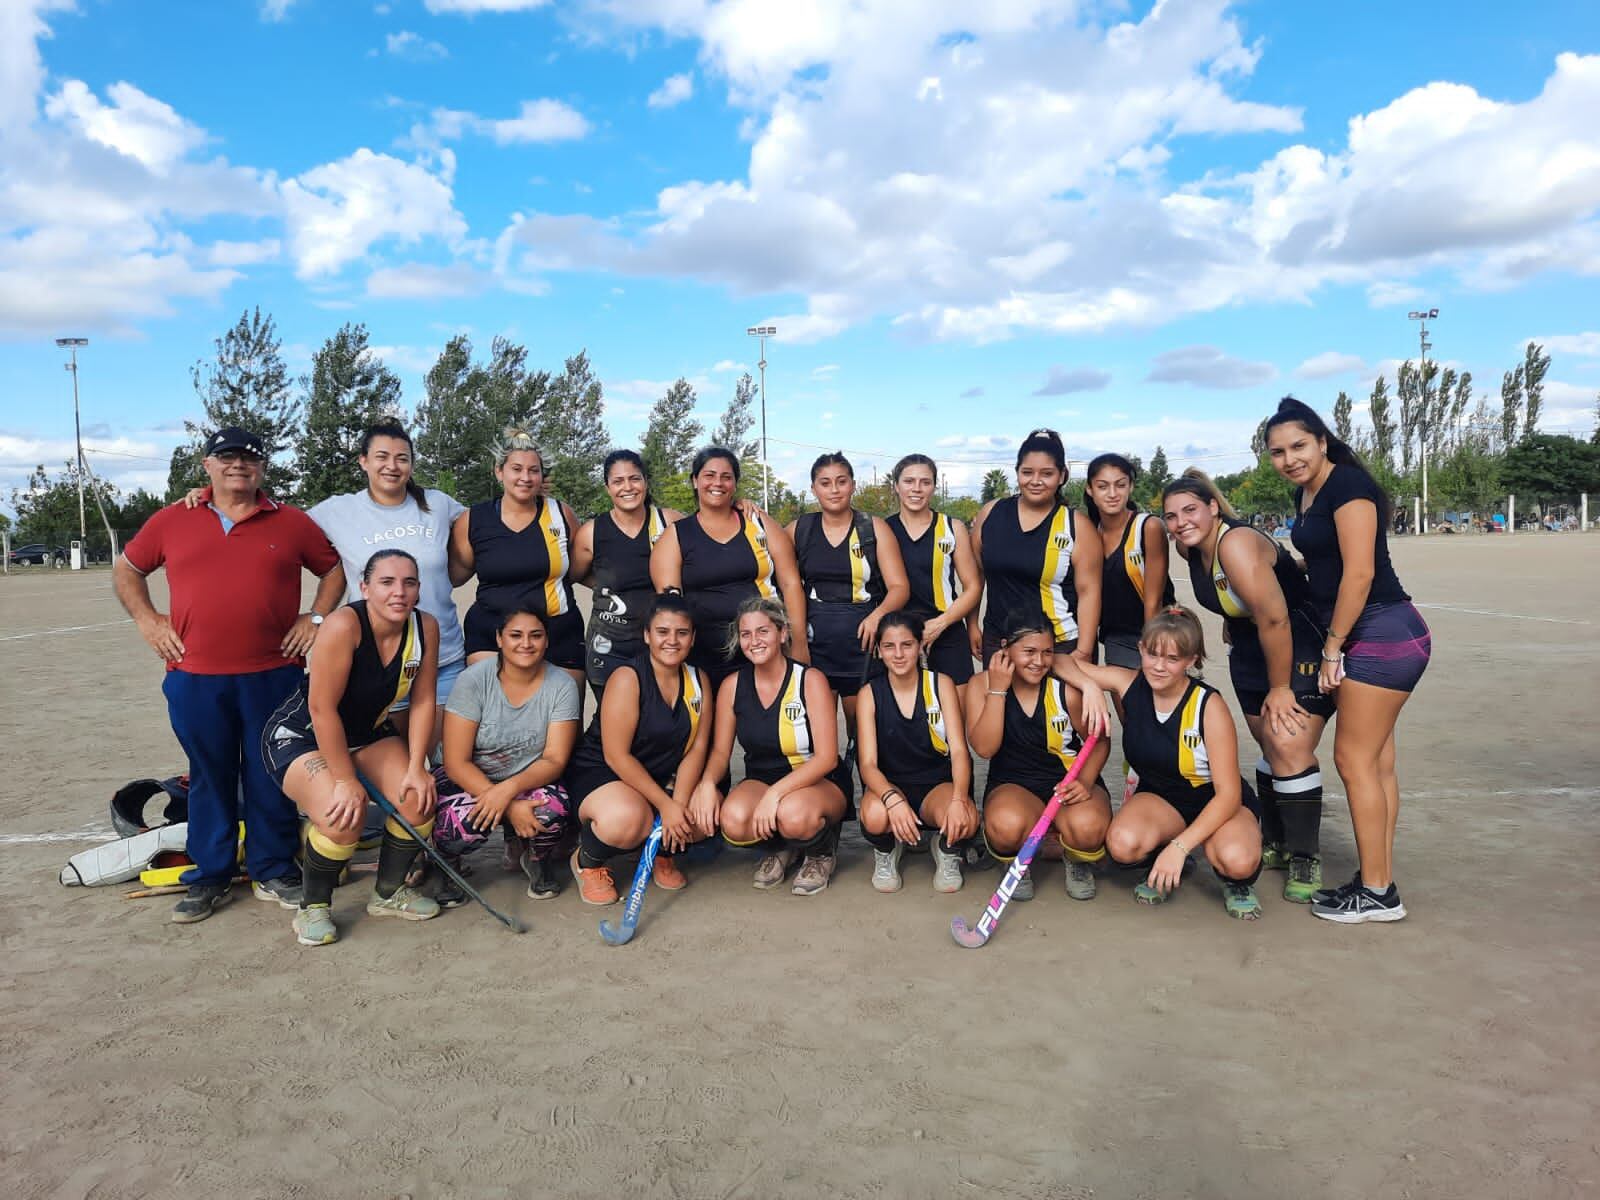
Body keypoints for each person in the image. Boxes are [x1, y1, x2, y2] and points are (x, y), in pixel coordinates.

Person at [114, 426, 344, 925]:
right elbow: (128, 569)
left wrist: (316, 618)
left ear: (262, 467)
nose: (238, 464)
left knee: (271, 774)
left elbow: (334, 571)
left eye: (249, 457)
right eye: (227, 457)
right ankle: (212, 875)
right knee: (209, 776)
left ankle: (273, 869)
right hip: (195, 677)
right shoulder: (173, 519)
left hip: (274, 674)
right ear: (208, 465)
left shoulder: (291, 522)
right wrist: (148, 620)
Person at [1266, 397, 1431, 923]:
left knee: (1352, 760)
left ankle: (1379, 893)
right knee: (1378, 763)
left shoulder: (1348, 487)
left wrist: (1334, 647)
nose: (1289, 458)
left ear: (1321, 441)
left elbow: (1359, 574)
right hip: (1374, 631)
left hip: (1382, 631)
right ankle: (1377, 879)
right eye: (1277, 452)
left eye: (1298, 446)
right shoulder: (1307, 491)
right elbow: (1323, 562)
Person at [1163, 470, 1335, 902]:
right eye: (1171, 516)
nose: (1181, 521)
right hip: (1250, 644)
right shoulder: (1189, 549)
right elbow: (1234, 593)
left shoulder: (1234, 542)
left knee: (1288, 741)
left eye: (1190, 510)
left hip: (1295, 639)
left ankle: (1304, 855)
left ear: (1213, 508)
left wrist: (1281, 687)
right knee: (1268, 742)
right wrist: (1228, 618)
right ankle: (1275, 838)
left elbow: (1275, 616)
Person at [259, 550, 441, 946]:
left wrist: (416, 765)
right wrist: (343, 779)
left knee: (419, 798)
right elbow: (322, 709)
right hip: (304, 733)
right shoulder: (344, 625)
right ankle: (313, 907)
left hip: (366, 732)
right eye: (387, 583)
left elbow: (424, 700)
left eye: (409, 583)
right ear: (364, 587)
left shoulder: (425, 626)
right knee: (345, 815)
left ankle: (389, 893)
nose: (399, 592)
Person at [1059, 607, 1264, 919]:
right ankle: (1163, 851)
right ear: (1141, 649)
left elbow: (1228, 796)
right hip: (1162, 800)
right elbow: (1058, 660)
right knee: (1122, 844)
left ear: (1192, 659)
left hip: (1218, 804)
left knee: (1237, 861)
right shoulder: (1128, 683)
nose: (1158, 666)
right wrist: (1089, 686)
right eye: (1152, 654)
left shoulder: (1209, 706)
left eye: (1172, 659)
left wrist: (1180, 848)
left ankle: (1226, 876)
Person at [307, 422, 467, 747]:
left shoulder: (438, 504)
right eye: (382, 456)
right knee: (389, 769)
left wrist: (537, 495)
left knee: (439, 765)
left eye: (402, 458)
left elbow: (495, 521)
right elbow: (276, 527)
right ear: (363, 461)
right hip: (377, 666)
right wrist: (208, 495)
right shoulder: (337, 511)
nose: (392, 466)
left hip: (443, 660)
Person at [565, 594, 716, 904]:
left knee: (702, 817)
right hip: (604, 772)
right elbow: (616, 756)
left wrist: (680, 804)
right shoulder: (627, 678)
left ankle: (662, 850)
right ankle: (587, 862)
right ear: (647, 635)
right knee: (628, 819)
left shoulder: (699, 679)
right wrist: (666, 805)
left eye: (682, 633)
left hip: (658, 775)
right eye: (662, 632)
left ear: (692, 638)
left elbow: (697, 747)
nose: (671, 641)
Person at [690, 598, 845, 895]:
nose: (754, 641)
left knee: (794, 815)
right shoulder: (732, 686)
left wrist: (775, 794)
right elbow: (721, 752)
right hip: (762, 777)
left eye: (763, 631)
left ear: (782, 633)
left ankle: (820, 851)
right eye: (746, 634)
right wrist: (707, 783)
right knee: (733, 820)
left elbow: (826, 758)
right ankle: (783, 848)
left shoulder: (810, 680)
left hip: (816, 779)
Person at [437, 606, 582, 901]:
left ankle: (537, 859)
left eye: (535, 636)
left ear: (547, 641)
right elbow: (455, 762)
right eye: (515, 635)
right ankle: (446, 865)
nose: (526, 644)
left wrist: (509, 790)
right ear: (499, 639)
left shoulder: (562, 685)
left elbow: (555, 760)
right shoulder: (474, 680)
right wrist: (507, 804)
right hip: (468, 779)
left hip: (525, 779)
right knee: (459, 825)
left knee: (553, 810)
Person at [966, 613, 1112, 902]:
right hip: (1014, 784)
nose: (1039, 661)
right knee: (1005, 827)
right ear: (1005, 648)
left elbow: (1100, 741)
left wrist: (1084, 781)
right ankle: (1018, 862)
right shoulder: (981, 685)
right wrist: (997, 690)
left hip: (1067, 781)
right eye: (1029, 652)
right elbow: (984, 749)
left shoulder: (1066, 688)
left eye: (1047, 652)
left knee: (1088, 828)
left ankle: (1076, 859)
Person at [650, 446, 808, 687]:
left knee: (762, 723)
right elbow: (670, 605)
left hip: (761, 651)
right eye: (709, 475)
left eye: (726, 477)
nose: (718, 483)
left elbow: (791, 583)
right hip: (702, 657)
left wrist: (799, 644)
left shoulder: (758, 523)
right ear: (695, 481)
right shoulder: (676, 536)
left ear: (735, 484)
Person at [451, 427, 586, 701]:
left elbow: (582, 569)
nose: (525, 477)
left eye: (533, 470)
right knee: (493, 724)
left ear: (542, 476)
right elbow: (453, 576)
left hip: (558, 631)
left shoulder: (561, 514)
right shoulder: (473, 520)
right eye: (516, 469)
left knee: (563, 725)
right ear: (499, 471)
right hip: (491, 632)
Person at [856, 611, 977, 893]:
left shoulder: (940, 684)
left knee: (967, 818)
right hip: (891, 785)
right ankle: (887, 849)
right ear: (879, 651)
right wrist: (892, 799)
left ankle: (945, 849)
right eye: (889, 646)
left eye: (906, 645)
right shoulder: (870, 694)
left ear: (920, 645)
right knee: (875, 815)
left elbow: (960, 751)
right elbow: (868, 764)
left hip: (936, 786)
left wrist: (960, 798)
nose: (898, 654)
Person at [788, 452, 909, 728]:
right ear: (813, 488)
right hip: (815, 646)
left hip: (862, 647)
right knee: (816, 731)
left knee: (862, 728)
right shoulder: (800, 529)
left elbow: (900, 587)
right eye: (825, 482)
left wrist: (879, 616)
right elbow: (775, 570)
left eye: (841, 481)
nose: (834, 490)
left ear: (853, 485)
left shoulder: (872, 527)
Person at [971, 428, 1102, 678]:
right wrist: (972, 626)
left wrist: (1083, 651)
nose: (1035, 480)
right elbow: (976, 576)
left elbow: (1090, 592)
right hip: (1000, 639)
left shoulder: (1076, 526)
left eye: (1047, 473)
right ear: (1017, 472)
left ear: (1062, 475)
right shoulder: (991, 513)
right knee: (1001, 712)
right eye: (1027, 472)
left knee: (1059, 714)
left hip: (1058, 644)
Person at [571, 450, 683, 699]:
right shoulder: (591, 533)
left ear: (645, 481)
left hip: (663, 642)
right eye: (618, 481)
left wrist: (741, 506)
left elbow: (710, 527)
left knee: (661, 721)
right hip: (610, 644)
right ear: (607, 487)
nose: (627, 487)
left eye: (634, 478)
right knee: (613, 724)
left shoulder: (670, 522)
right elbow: (574, 575)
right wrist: (610, 591)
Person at [885, 453, 981, 684]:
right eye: (909, 481)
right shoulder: (883, 530)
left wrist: (941, 623)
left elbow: (973, 586)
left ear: (934, 487)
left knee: (956, 715)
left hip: (946, 630)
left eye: (925, 482)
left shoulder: (952, 528)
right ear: (896, 486)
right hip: (899, 635)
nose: (917, 488)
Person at [1085, 453, 1173, 669]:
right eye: (1103, 486)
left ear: (1131, 486)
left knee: (1158, 702)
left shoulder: (1148, 527)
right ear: (1090, 490)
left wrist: (1152, 649)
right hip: (1116, 637)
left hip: (1154, 632)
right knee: (1126, 703)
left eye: (1120, 485)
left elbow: (1154, 600)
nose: (1112, 494)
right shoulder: (1089, 533)